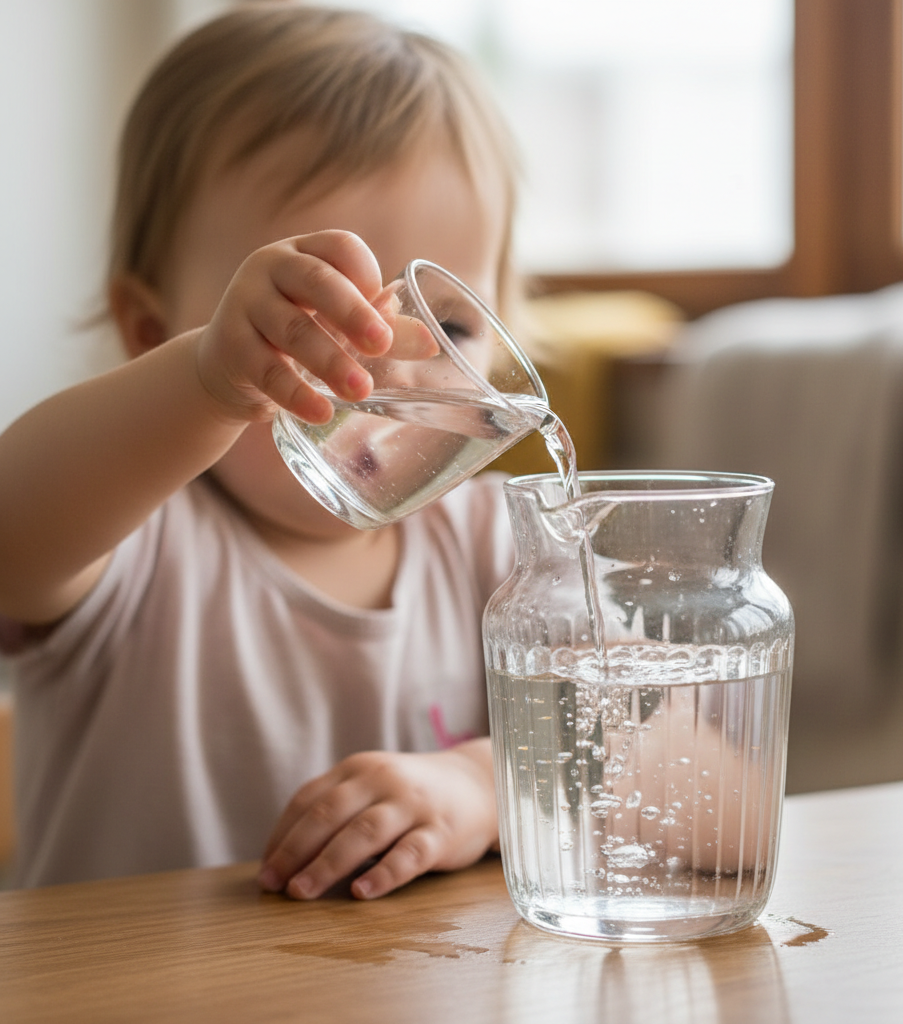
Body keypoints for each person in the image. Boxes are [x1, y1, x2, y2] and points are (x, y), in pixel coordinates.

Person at [0, 4, 521, 900]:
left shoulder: (493, 551)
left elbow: (704, 766)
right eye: (315, 320)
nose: (393, 364)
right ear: (153, 331)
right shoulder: (139, 540)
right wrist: (205, 387)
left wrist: (487, 785)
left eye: (456, 323)